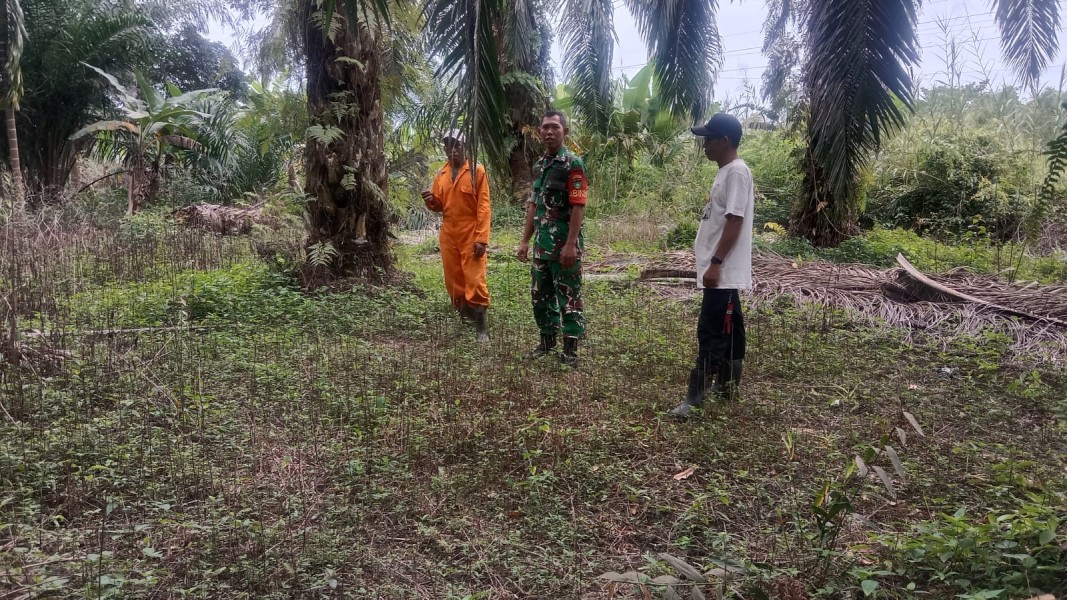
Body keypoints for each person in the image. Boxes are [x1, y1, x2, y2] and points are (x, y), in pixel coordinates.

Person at [668, 113, 754, 418]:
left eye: (708, 139)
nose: (704, 145)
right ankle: (727, 386)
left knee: (711, 330)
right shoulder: (727, 171)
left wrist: (716, 263)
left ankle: (694, 400)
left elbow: (735, 220)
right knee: (731, 329)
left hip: (722, 270)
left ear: (724, 141)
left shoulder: (736, 172)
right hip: (721, 270)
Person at [516, 110, 587, 366]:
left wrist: (570, 245)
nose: (549, 131)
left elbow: (578, 206)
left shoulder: (573, 164)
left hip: (564, 245)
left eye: (555, 127)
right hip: (541, 245)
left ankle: (570, 350)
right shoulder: (539, 166)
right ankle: (546, 342)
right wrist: (525, 241)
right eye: (545, 127)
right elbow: (534, 205)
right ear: (539, 131)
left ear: (564, 132)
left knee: (568, 295)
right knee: (540, 296)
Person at [421, 130, 492, 342]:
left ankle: (481, 326)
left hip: (470, 230)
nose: (452, 150)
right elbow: (440, 206)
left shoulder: (476, 170)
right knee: (453, 277)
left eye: (457, 145)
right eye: (448, 146)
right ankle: (465, 317)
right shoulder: (441, 174)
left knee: (474, 276)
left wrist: (481, 238)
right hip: (449, 232)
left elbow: (484, 206)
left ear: (465, 147)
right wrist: (431, 200)